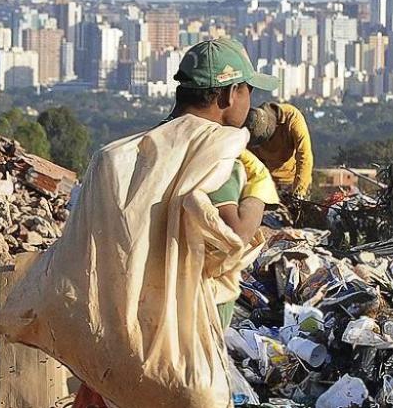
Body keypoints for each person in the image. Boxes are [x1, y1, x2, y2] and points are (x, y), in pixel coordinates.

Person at [71, 38, 280, 408]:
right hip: (185, 341)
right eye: (249, 90)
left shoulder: (133, 152)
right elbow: (234, 234)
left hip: (125, 331)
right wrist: (258, 192)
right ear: (230, 95)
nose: (251, 102)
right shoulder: (215, 155)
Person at [245, 101, 314, 198]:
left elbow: (304, 155)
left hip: (293, 180)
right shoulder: (252, 126)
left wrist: (300, 192)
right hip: (268, 182)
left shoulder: (292, 117)